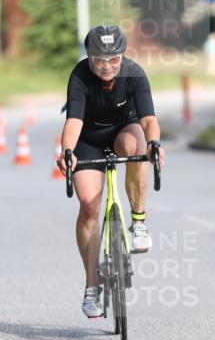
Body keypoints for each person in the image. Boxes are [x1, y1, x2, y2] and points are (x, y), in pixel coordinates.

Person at [57, 24, 166, 319]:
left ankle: (139, 221)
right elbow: (73, 124)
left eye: (114, 60)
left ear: (123, 57)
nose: (107, 66)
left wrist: (155, 143)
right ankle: (92, 286)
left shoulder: (134, 73)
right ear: (89, 57)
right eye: (99, 60)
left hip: (123, 131)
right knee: (90, 206)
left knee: (136, 146)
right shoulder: (80, 76)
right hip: (88, 139)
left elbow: (148, 120)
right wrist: (67, 151)